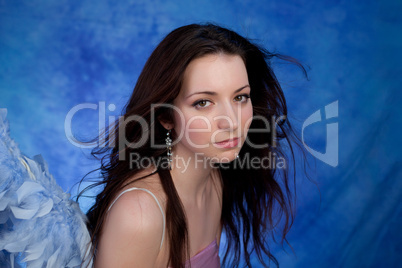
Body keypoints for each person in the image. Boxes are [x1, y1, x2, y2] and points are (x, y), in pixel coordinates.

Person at [81, 23, 305, 268]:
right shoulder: (140, 215)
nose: (231, 121)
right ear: (166, 117)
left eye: (240, 97)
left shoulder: (214, 181)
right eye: (203, 103)